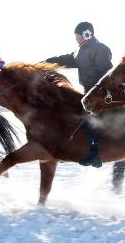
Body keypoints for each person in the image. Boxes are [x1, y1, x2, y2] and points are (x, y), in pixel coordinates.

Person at [45, 21, 113, 168]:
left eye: (78, 36)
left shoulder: (100, 49)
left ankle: (95, 154)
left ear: (87, 34)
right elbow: (65, 59)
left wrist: (99, 93)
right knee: (69, 113)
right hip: (87, 93)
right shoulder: (81, 51)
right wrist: (46, 63)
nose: (76, 39)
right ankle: (71, 147)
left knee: (88, 119)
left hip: (98, 94)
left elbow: (107, 73)